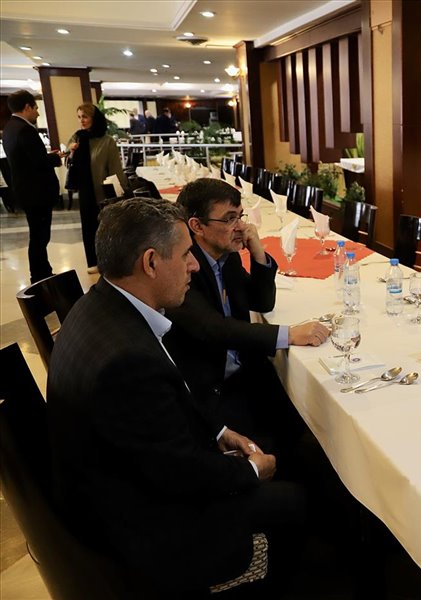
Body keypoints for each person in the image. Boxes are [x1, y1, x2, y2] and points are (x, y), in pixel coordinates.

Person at [47, 197, 305, 595]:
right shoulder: (126, 362)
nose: (194, 266)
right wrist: (253, 471)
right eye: (185, 254)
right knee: (293, 498)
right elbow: (181, 473)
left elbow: (161, 416)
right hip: (146, 532)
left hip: (119, 486)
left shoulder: (100, 305)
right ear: (151, 263)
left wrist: (218, 432)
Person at [163, 178, 330, 474]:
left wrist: (258, 253)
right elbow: (214, 329)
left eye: (240, 216)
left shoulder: (225, 256)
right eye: (229, 219)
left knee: (312, 419)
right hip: (213, 389)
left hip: (247, 371)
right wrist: (289, 334)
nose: (240, 227)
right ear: (197, 226)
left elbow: (262, 302)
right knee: (297, 434)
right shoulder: (184, 267)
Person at [1, 90, 61, 282]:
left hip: (25, 190)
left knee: (38, 235)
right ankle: (40, 275)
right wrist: (56, 158)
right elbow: (39, 162)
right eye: (35, 108)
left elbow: (26, 159)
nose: (38, 112)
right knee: (40, 236)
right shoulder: (25, 130)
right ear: (27, 107)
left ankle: (43, 271)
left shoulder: (9, 128)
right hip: (37, 192)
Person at [68, 103, 128, 274]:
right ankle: (93, 261)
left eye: (85, 117)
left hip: (102, 192)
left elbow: (115, 169)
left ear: (94, 118)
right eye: (79, 117)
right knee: (88, 226)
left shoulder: (106, 141)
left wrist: (121, 191)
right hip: (85, 191)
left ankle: (110, 261)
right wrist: (71, 152)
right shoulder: (77, 138)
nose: (82, 120)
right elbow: (69, 163)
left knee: (106, 227)